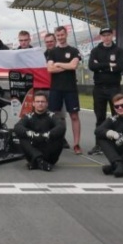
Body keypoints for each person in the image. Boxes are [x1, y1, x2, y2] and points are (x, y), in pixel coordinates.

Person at [87, 27, 123, 155]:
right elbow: (92, 66)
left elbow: (120, 67)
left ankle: (118, 143)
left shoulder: (118, 51)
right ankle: (99, 144)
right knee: (100, 118)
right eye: (104, 35)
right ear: (101, 37)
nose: (106, 37)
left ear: (112, 35)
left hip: (114, 88)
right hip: (99, 89)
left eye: (108, 34)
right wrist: (109, 65)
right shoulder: (95, 50)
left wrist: (101, 66)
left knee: (117, 116)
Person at [46, 26, 83, 154]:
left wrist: (58, 64)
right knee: (54, 116)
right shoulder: (52, 52)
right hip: (56, 88)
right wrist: (66, 66)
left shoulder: (73, 51)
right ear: (56, 36)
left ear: (66, 34)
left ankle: (76, 144)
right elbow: (50, 69)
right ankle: (54, 141)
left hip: (70, 88)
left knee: (74, 116)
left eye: (62, 35)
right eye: (58, 35)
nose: (60, 37)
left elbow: (73, 65)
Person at [13, 91, 67, 171]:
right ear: (33, 104)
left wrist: (47, 135)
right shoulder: (29, 117)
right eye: (38, 102)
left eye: (42, 102)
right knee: (21, 136)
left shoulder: (52, 116)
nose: (40, 104)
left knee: (60, 136)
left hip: (49, 154)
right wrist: (31, 134)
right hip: (33, 151)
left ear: (47, 104)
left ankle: (36, 163)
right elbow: (17, 127)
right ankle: (39, 161)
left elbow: (61, 126)